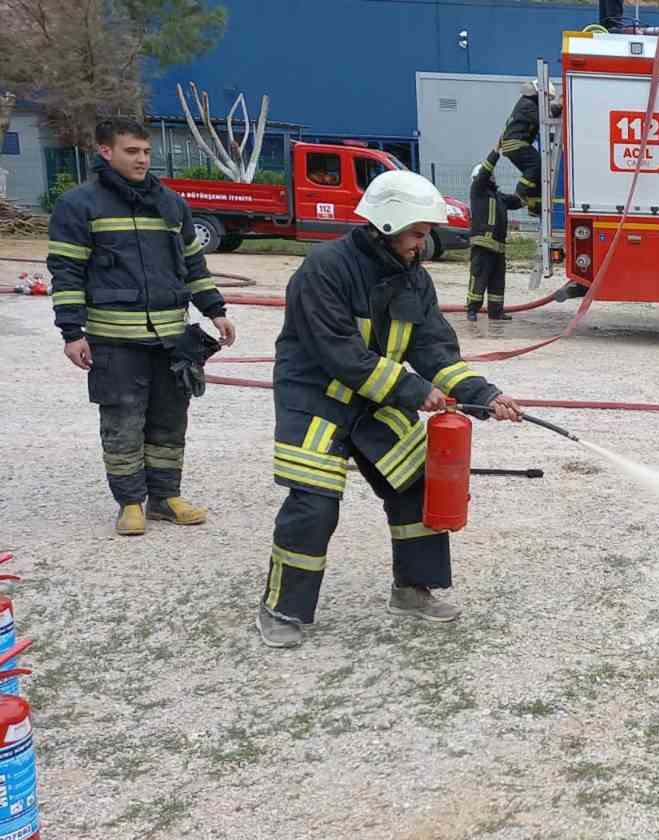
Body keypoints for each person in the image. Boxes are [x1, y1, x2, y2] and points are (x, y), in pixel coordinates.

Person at [255, 169, 522, 649]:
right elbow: (339, 352)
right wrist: (413, 389)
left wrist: (484, 394)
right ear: (386, 223)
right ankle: (282, 608)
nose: (423, 244)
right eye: (418, 233)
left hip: (376, 400)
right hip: (317, 399)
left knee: (417, 486)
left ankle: (411, 590)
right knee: (314, 505)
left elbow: (436, 350)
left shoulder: (414, 280)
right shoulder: (325, 269)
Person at [46, 117, 237, 536]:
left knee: (170, 421)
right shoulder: (79, 205)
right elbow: (66, 271)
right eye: (132, 151)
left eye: (146, 152)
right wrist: (72, 333)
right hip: (114, 341)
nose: (142, 159)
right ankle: (131, 502)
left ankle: (165, 499)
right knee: (123, 422)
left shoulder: (171, 204)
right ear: (105, 151)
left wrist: (215, 309)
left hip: (171, 338)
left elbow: (193, 264)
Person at [465, 150, 524, 321]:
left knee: (497, 281)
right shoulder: (477, 191)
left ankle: (496, 312)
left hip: (499, 248)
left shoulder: (499, 197)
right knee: (479, 278)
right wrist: (495, 154)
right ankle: (472, 309)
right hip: (483, 245)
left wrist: (532, 188)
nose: (493, 177)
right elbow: (483, 174)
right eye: (490, 175)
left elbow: (518, 201)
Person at [497, 81, 560, 210]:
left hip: (515, 143)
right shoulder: (527, 104)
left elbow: (539, 128)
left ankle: (534, 205)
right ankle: (519, 194)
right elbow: (545, 118)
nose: (547, 102)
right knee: (536, 164)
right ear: (538, 93)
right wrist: (560, 106)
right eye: (547, 98)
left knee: (537, 173)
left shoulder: (528, 104)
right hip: (516, 143)